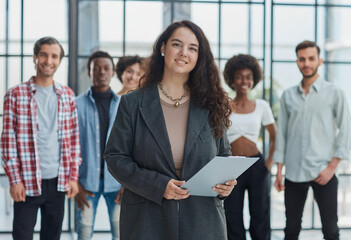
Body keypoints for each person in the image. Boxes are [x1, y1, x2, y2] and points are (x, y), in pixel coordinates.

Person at [104, 20, 237, 240]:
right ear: (163, 48)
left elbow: (223, 155)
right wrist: (158, 186)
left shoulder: (212, 103)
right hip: (147, 219)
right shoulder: (132, 103)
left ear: (199, 56)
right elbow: (116, 157)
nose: (184, 52)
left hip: (202, 219)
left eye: (192, 48)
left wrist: (226, 185)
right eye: (177, 44)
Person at [0, 36, 81, 240]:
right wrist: (14, 180)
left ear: (60, 61)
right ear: (35, 57)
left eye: (54, 56)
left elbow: (73, 139)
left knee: (52, 236)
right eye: (43, 55)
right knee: (22, 235)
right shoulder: (15, 94)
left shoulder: (67, 95)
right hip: (26, 181)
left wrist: (73, 177)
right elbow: (8, 141)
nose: (48, 60)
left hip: (58, 181)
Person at [274, 40, 351, 240]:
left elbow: (346, 129)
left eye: (311, 58)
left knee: (331, 230)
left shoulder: (335, 93)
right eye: (302, 59)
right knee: (290, 229)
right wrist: (279, 171)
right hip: (294, 172)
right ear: (297, 62)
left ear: (320, 60)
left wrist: (332, 167)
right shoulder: (288, 96)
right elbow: (281, 133)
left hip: (323, 171)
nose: (306, 63)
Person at [223, 54, 276, 240]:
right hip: (231, 167)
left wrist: (268, 164)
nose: (243, 81)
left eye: (248, 77)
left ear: (253, 79)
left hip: (257, 165)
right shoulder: (225, 105)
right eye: (239, 76)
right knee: (232, 214)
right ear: (232, 80)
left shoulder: (261, 106)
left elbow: (275, 136)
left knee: (260, 213)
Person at [75, 51, 122, 240]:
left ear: (112, 72)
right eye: (96, 68)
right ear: (89, 72)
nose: (101, 72)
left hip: (118, 183)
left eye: (106, 68)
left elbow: (133, 147)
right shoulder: (76, 104)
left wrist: (128, 185)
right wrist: (75, 183)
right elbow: (69, 145)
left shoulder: (123, 105)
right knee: (84, 233)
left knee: (121, 234)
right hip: (86, 183)